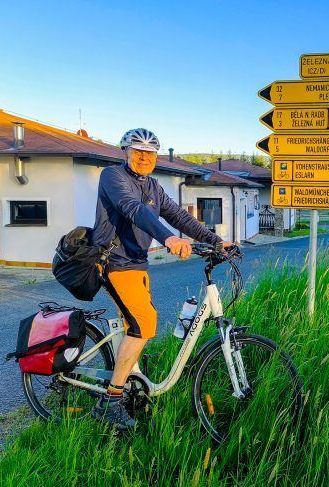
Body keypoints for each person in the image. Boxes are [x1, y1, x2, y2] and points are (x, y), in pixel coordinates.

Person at [91, 128, 230, 431]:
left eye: (150, 152)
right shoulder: (112, 177)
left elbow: (179, 216)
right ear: (124, 152)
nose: (144, 157)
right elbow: (135, 210)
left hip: (137, 264)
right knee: (144, 324)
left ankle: (129, 387)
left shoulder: (153, 186)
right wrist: (167, 239)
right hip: (113, 262)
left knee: (136, 326)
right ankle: (110, 403)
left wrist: (215, 241)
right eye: (137, 151)